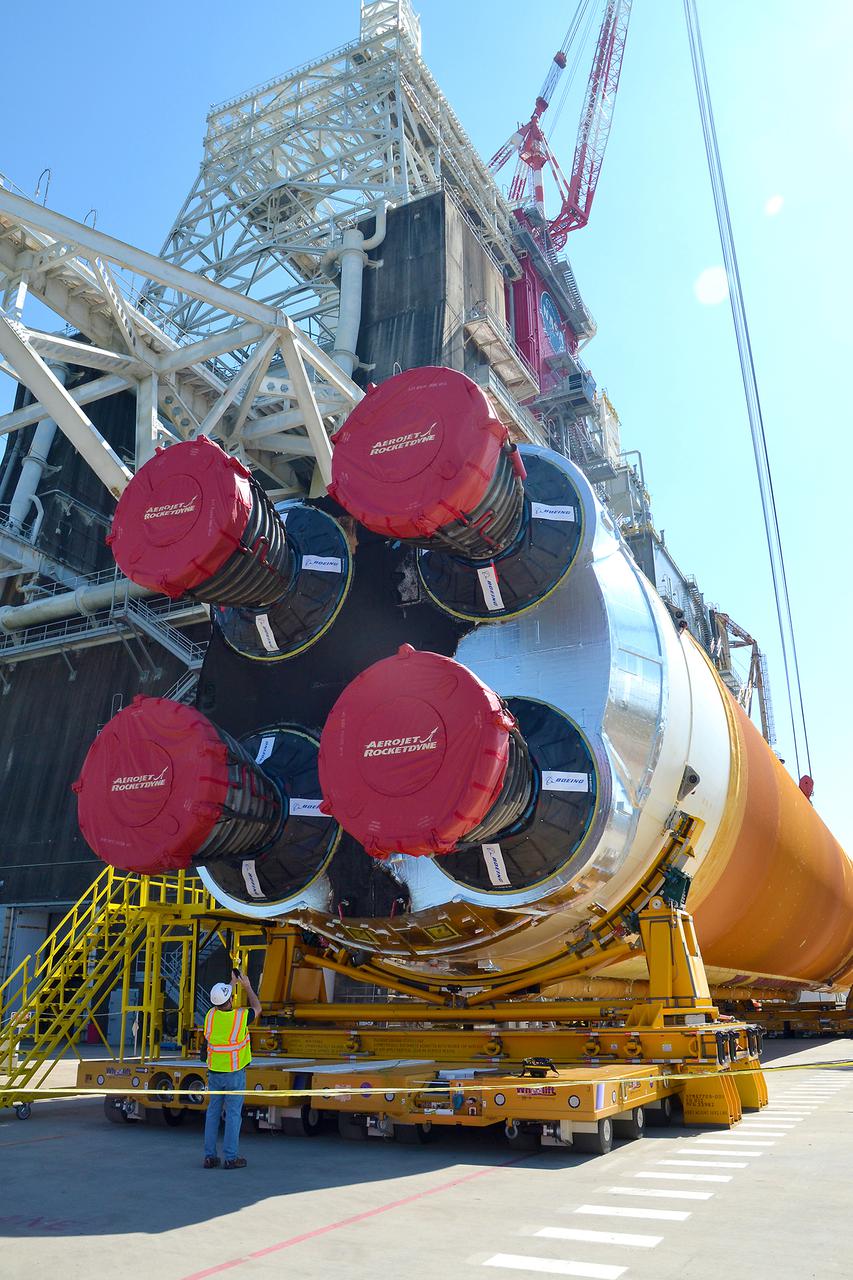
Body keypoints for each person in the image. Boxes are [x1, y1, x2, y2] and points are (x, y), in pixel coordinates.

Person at [202, 968, 261, 1169]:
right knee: (233, 1115)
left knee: (212, 1114)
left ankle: (209, 1156)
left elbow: (222, 1000)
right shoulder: (241, 1017)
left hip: (215, 1072)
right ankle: (230, 1158)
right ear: (230, 1001)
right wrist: (248, 987)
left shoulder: (210, 1015)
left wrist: (232, 982)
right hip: (235, 1073)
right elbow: (258, 1007)